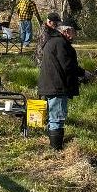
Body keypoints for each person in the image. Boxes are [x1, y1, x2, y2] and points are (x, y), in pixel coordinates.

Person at [37, 19, 85, 151]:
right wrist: (83, 73)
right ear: (67, 31)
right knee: (57, 118)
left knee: (53, 117)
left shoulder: (52, 41)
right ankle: (56, 149)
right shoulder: (60, 43)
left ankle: (55, 146)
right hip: (57, 87)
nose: (75, 35)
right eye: (74, 32)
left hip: (50, 85)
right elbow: (67, 65)